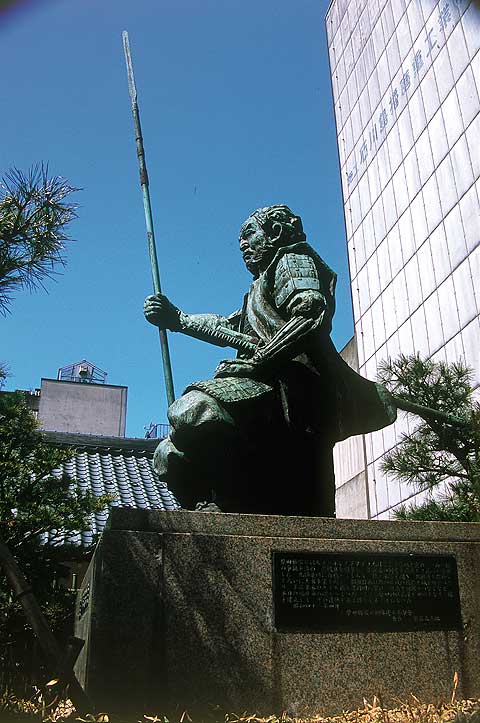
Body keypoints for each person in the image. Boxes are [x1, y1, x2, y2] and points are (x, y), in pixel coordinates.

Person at [144, 205, 396, 515]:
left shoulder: (292, 260)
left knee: (194, 409)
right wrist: (179, 319)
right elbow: (228, 325)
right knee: (167, 452)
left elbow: (310, 312)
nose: (243, 245)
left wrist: (261, 360)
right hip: (265, 385)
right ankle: (213, 505)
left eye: (249, 235)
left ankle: (228, 498)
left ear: (275, 232)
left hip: (291, 386)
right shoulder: (257, 288)